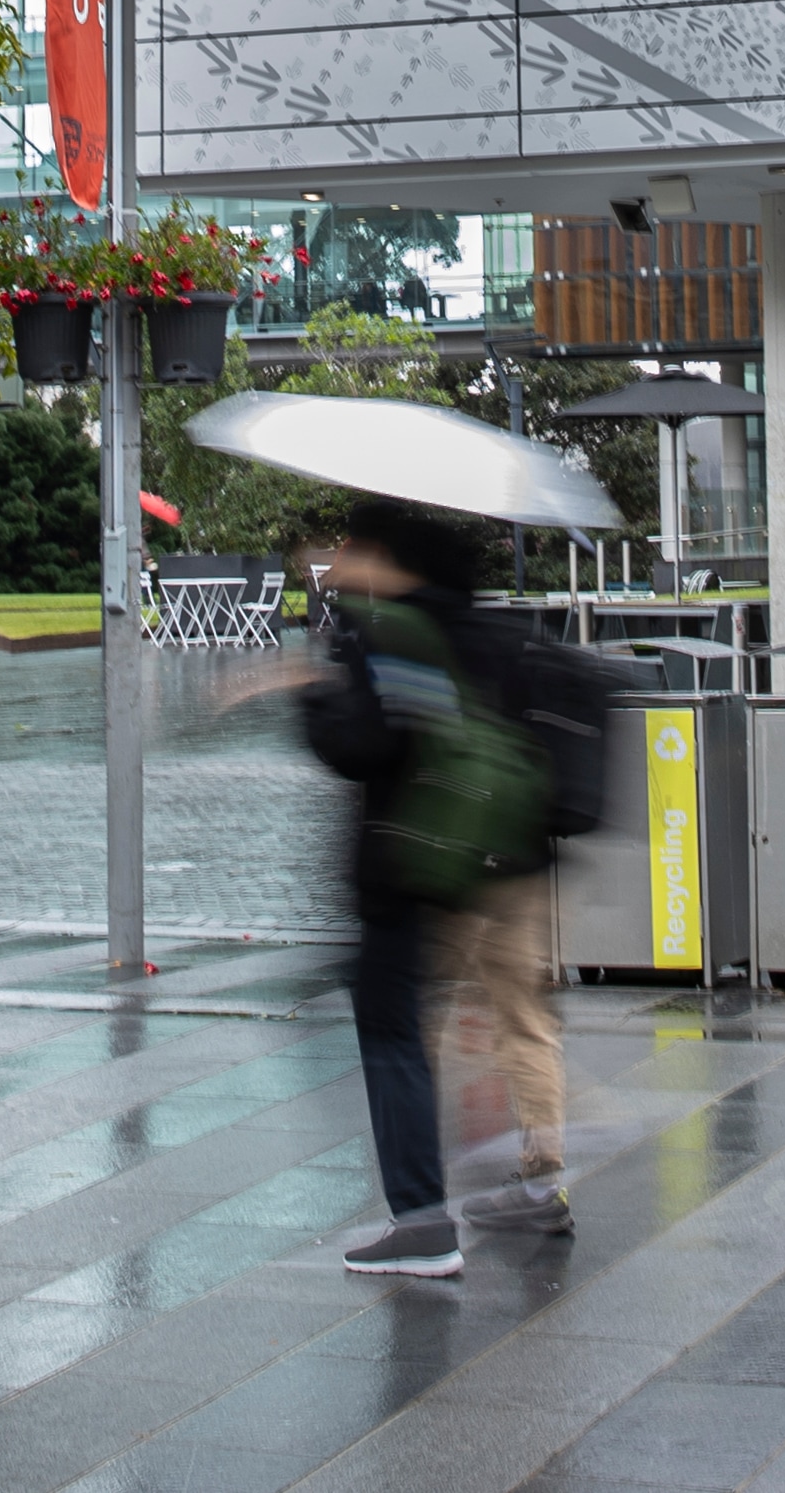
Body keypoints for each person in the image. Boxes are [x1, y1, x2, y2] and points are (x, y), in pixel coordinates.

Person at [300, 496, 566, 1275]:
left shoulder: (394, 630)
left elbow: (368, 742)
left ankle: (421, 1217)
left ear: (390, 556)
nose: (339, 553)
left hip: (430, 864)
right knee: (524, 1021)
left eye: (353, 543)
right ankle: (544, 1178)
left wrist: (315, 691)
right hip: (511, 863)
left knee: (406, 1029)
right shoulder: (495, 628)